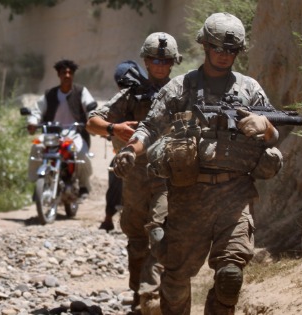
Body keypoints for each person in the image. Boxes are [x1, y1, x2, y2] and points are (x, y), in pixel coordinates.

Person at [114, 13, 283, 314]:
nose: (223, 55)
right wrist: (130, 151)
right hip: (188, 196)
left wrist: (265, 126)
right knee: (176, 280)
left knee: (230, 276)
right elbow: (150, 127)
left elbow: (274, 134)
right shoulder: (180, 88)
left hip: (235, 197)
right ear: (205, 45)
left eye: (230, 50)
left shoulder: (249, 89)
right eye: (218, 47)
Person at [87, 32, 181, 311]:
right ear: (145, 61)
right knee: (137, 240)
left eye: (165, 60)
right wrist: (114, 129)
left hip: (169, 176)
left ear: (174, 62)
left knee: (160, 233)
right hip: (136, 177)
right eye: (153, 59)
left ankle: (152, 296)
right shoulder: (133, 94)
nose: (160, 64)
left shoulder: (182, 92)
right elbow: (92, 121)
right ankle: (140, 294)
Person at [26, 59, 97, 199]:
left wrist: (92, 118)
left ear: (73, 75)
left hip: (74, 134)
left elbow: (90, 107)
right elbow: (37, 112)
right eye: (64, 72)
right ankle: (37, 184)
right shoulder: (49, 94)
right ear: (59, 75)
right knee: (36, 148)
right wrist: (32, 122)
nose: (67, 75)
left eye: (70, 72)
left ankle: (83, 185)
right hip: (52, 134)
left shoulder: (81, 92)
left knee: (82, 154)